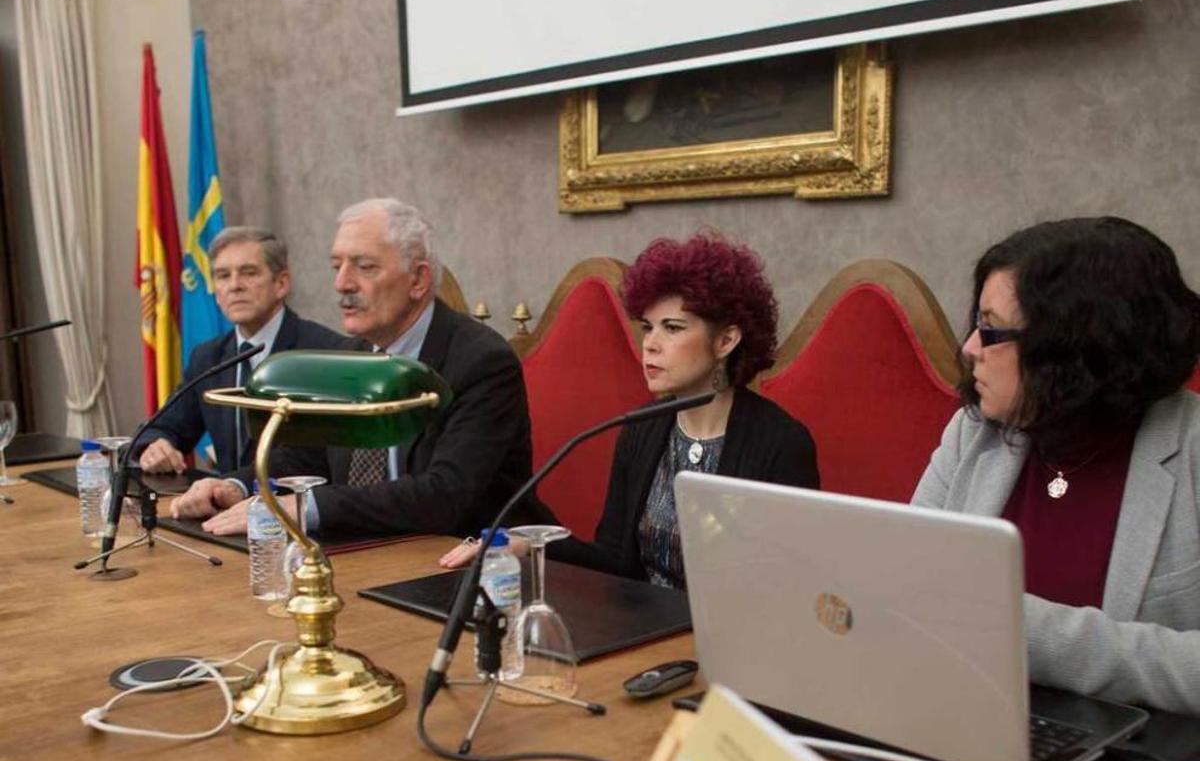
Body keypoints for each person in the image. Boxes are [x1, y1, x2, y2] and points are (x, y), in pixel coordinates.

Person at [913, 215, 1200, 716]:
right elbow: (907, 584)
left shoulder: (1191, 447)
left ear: (1076, 348)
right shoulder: (972, 432)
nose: (969, 348)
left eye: (990, 329)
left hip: (1136, 751)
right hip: (960, 714)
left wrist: (1034, 635)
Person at [441, 231, 819, 588]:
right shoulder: (642, 430)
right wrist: (527, 544)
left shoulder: (781, 443)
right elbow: (615, 561)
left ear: (726, 340)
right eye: (647, 327)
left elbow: (787, 587)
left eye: (672, 328)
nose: (650, 344)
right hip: (644, 627)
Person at [170, 199, 532, 539]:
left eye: (365, 267)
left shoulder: (481, 361)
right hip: (360, 550)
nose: (341, 283)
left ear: (418, 280)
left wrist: (307, 508)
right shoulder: (349, 354)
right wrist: (236, 487)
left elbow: (444, 495)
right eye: (337, 266)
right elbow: (305, 457)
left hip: (465, 556)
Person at [139, 226, 344, 476]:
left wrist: (235, 485)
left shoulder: (324, 352)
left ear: (281, 284)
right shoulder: (209, 357)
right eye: (223, 276)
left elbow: (311, 459)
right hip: (226, 499)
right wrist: (155, 446)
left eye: (249, 273)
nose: (235, 286)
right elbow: (162, 428)